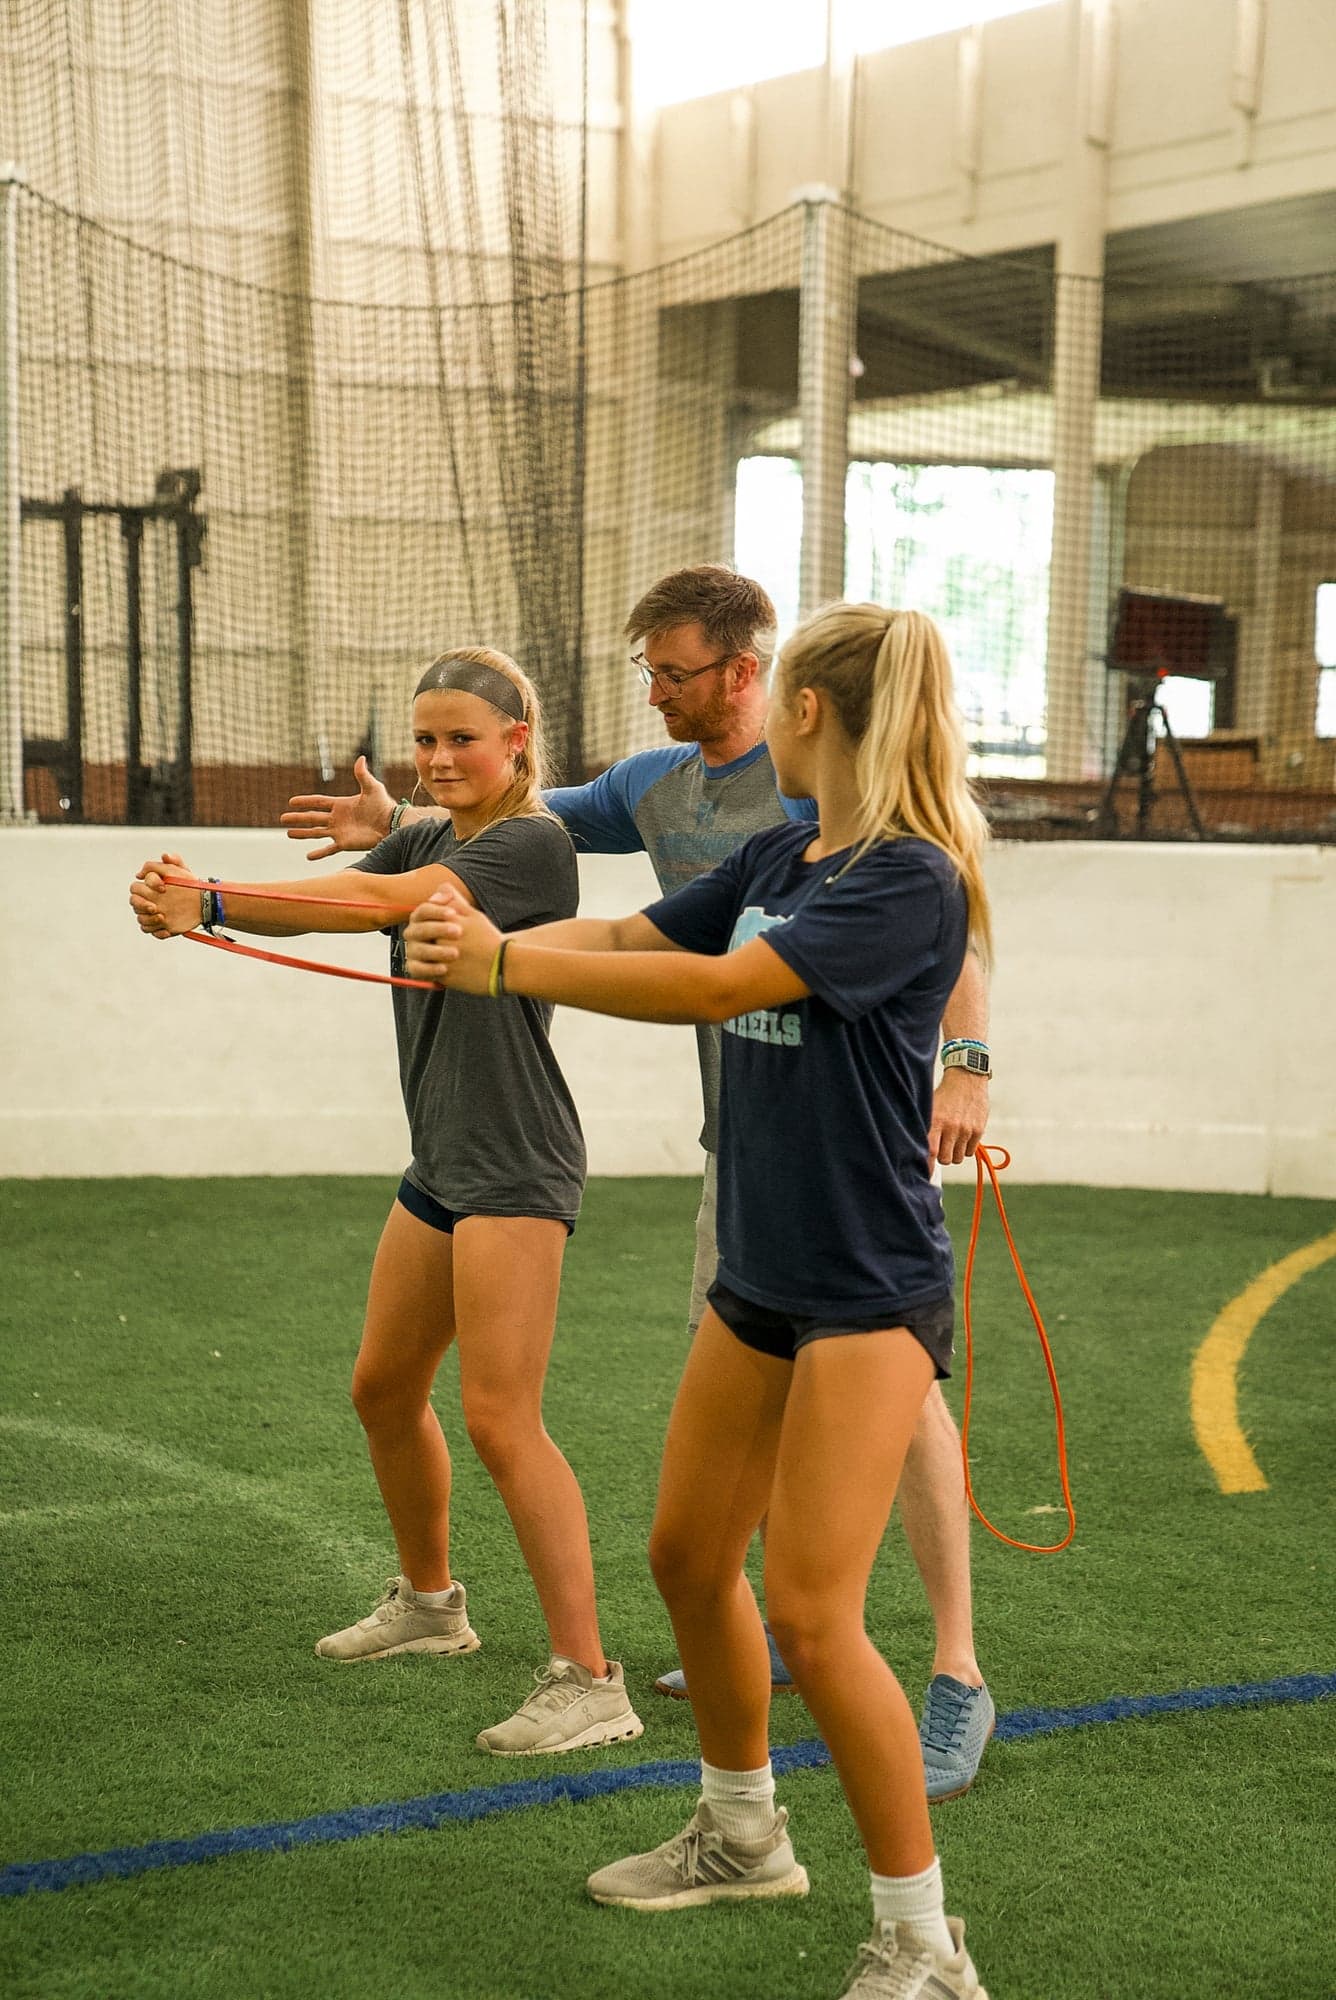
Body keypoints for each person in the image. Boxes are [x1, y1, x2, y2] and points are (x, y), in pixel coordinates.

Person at [281, 565, 995, 1802]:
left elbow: (737, 978)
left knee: (851, 1542)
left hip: (861, 1213)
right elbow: (551, 856)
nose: (655, 693)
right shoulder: (746, 824)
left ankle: (954, 1674)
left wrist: (968, 1063)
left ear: (769, 687)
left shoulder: (903, 864)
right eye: (647, 672)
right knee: (693, 1555)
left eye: (674, 672)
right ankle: (740, 1815)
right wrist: (418, 834)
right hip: (755, 1177)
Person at [128, 647, 642, 1758]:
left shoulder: (532, 844)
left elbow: (384, 898)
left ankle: (590, 1677)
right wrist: (209, 908)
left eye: (464, 737)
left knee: (503, 1416)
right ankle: (429, 1604)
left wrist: (209, 895)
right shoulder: (432, 828)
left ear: (518, 740)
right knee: (382, 1385)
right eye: (425, 739)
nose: (440, 756)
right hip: (443, 1164)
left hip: (515, 1166)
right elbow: (343, 897)